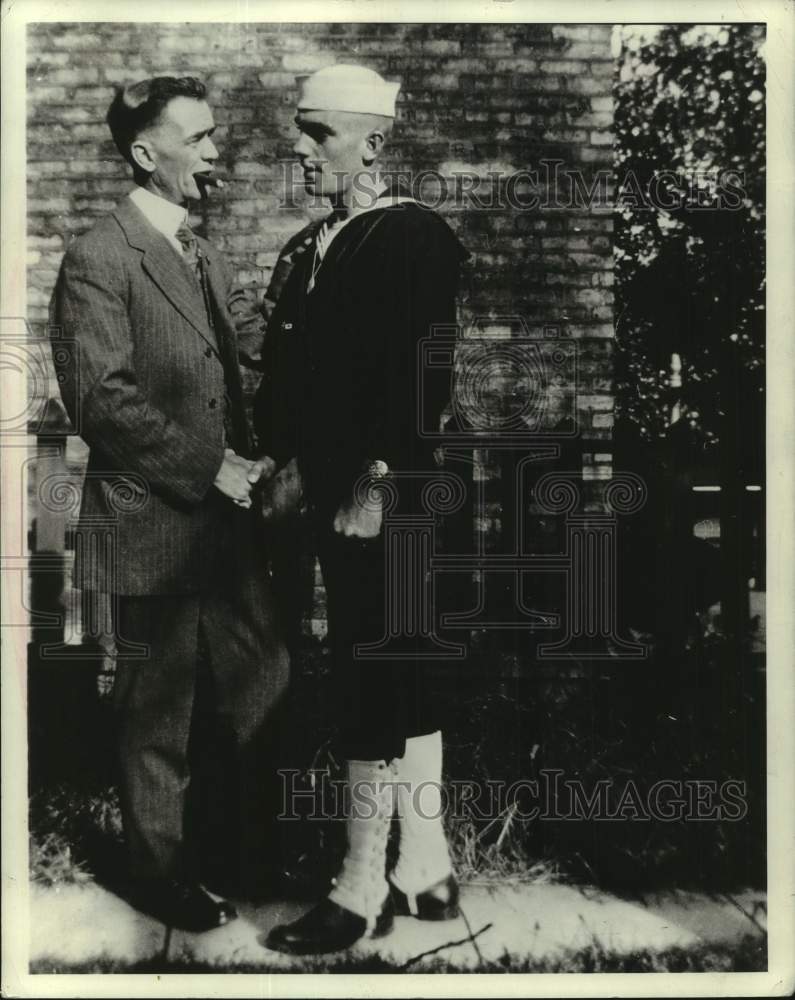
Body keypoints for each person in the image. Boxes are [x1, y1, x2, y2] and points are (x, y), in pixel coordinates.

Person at [49, 76, 289, 932]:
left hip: (227, 531)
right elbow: (101, 399)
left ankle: (230, 855)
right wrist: (210, 466)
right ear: (148, 155)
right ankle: (160, 876)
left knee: (263, 682)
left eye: (215, 136)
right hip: (153, 523)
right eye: (201, 138)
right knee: (157, 714)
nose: (218, 152)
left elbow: (256, 352)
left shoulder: (206, 253)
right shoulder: (99, 259)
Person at [255, 64, 469, 954]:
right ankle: (425, 872)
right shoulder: (318, 244)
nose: (301, 153)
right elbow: (304, 381)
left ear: (373, 143)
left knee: (371, 680)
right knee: (399, 676)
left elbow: (423, 376)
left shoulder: (408, 237)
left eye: (319, 135)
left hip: (391, 497)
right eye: (299, 134)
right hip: (346, 490)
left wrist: (373, 483)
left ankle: (357, 892)